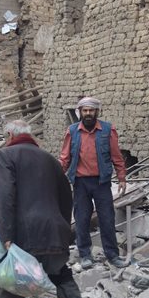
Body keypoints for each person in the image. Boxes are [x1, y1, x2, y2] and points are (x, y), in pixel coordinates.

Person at [0, 120, 92, 298]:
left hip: (25, 229)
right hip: (55, 227)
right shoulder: (50, 160)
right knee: (59, 271)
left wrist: (6, 235)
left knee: (13, 281)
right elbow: (67, 195)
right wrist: (63, 227)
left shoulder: (6, 156)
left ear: (10, 135)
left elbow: (6, 196)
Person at [59, 97, 129, 269]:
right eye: (85, 110)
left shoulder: (107, 130)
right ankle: (85, 255)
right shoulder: (73, 131)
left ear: (97, 112)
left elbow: (116, 155)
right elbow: (64, 158)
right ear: (80, 112)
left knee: (107, 218)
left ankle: (112, 255)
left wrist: (121, 177)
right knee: (81, 219)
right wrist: (56, 177)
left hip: (101, 182)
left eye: (91, 110)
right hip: (80, 182)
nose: (88, 114)